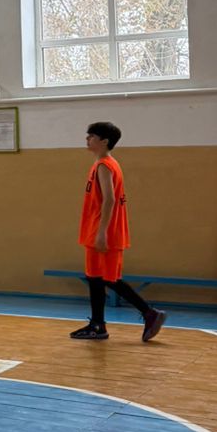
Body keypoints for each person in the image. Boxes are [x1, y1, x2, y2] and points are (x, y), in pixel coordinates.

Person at [71, 121, 166, 342]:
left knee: (108, 278)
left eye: (91, 136)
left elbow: (110, 199)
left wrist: (102, 232)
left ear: (104, 141)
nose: (87, 139)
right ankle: (98, 325)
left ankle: (149, 313)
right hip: (98, 228)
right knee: (95, 278)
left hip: (104, 230)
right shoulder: (103, 164)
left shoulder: (105, 165)